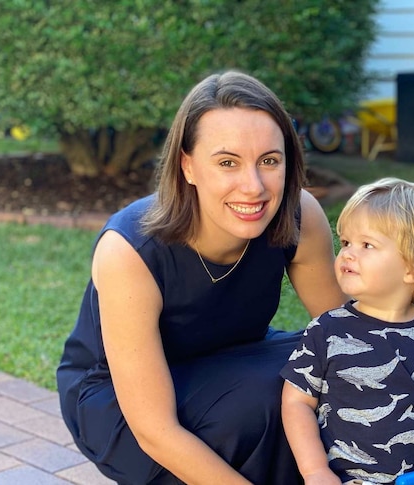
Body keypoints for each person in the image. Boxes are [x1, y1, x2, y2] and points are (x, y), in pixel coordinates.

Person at [56, 70, 347, 484]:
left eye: (269, 161)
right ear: (187, 166)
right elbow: (155, 430)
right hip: (122, 401)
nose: (253, 186)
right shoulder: (129, 250)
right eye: (228, 162)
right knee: (261, 404)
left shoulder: (299, 215)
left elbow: (349, 338)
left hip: (231, 357)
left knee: (322, 371)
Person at [280, 177, 414, 485]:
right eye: (346, 242)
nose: (347, 253)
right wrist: (315, 470)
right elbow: (296, 403)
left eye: (367, 245)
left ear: (413, 269)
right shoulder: (327, 329)